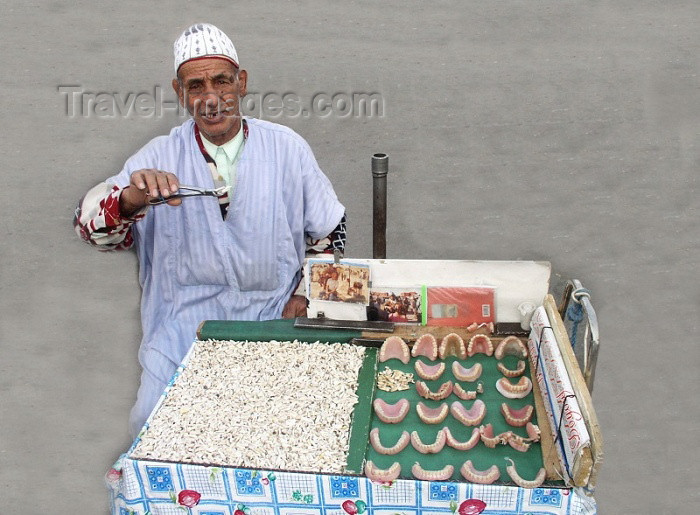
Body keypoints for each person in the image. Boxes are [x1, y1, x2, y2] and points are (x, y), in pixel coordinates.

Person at [74, 23, 347, 438]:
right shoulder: (157, 156)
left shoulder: (286, 148)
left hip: (271, 326)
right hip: (182, 333)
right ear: (180, 93)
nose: (211, 98)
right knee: (153, 436)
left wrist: (305, 294)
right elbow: (93, 230)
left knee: (284, 440)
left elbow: (330, 232)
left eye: (222, 80)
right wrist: (131, 199)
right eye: (196, 85)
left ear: (242, 83)